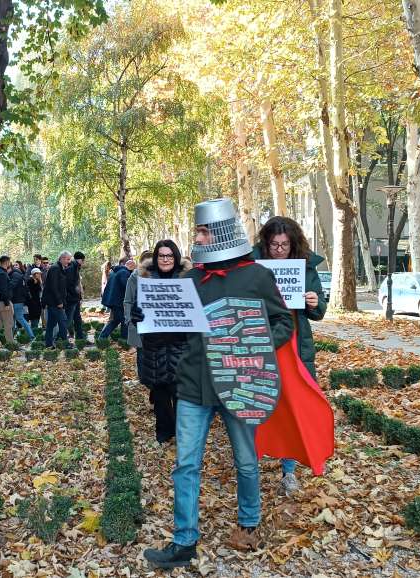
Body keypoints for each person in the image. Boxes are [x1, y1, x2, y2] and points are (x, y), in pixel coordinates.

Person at [142, 198, 294, 568]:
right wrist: (148, 315)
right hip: (195, 386)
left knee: (245, 460)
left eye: (203, 230)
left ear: (221, 232)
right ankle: (184, 540)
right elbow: (174, 329)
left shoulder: (258, 276)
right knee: (186, 464)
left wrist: (252, 343)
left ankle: (248, 523)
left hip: (240, 382)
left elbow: (282, 323)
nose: (196, 236)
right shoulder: (191, 279)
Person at [253, 216, 327, 496]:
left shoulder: (306, 266)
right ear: (265, 244)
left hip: (296, 345)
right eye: (274, 245)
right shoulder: (253, 266)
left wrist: (314, 302)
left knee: (296, 405)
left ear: (293, 243)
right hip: (264, 341)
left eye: (284, 244)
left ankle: (289, 471)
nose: (279, 249)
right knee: (260, 402)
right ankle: (252, 463)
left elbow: (320, 310)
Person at [135, 241, 191, 444]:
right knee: (159, 392)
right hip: (155, 345)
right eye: (161, 255)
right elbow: (138, 308)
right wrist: (136, 314)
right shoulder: (145, 278)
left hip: (180, 345)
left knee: (180, 393)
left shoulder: (187, 280)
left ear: (176, 257)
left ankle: (183, 433)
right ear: (156, 258)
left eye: (169, 255)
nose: (166, 259)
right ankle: (164, 431)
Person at [100, 258, 136, 340]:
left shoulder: (116, 271)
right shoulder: (124, 272)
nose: (134, 268)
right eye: (133, 266)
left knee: (117, 320)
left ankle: (103, 337)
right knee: (123, 320)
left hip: (113, 300)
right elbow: (127, 287)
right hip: (118, 301)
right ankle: (124, 339)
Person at [43, 251, 72, 347]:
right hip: (55, 302)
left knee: (51, 324)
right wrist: (59, 301)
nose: (69, 261)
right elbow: (53, 287)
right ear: (62, 258)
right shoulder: (55, 268)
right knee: (63, 322)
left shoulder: (59, 268)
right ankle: (65, 344)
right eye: (68, 259)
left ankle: (48, 344)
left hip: (54, 302)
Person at [0, 256, 15, 343]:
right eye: (9, 262)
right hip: (3, 302)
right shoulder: (2, 273)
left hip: (1, 302)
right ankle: (11, 344)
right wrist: (6, 304)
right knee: (9, 324)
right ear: (7, 262)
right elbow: (3, 290)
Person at [10, 260, 34, 340]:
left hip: (17, 300)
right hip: (18, 300)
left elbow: (11, 287)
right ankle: (11, 338)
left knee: (19, 318)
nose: (15, 266)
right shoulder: (19, 274)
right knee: (13, 319)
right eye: (14, 265)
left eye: (16, 265)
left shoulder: (15, 275)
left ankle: (31, 336)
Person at [65, 251, 86, 339]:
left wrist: (79, 297)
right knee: (68, 320)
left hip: (75, 298)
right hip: (71, 299)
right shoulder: (72, 267)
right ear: (80, 259)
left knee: (77, 319)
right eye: (83, 260)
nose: (83, 262)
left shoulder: (76, 267)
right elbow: (69, 284)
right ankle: (60, 337)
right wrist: (76, 294)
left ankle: (80, 337)